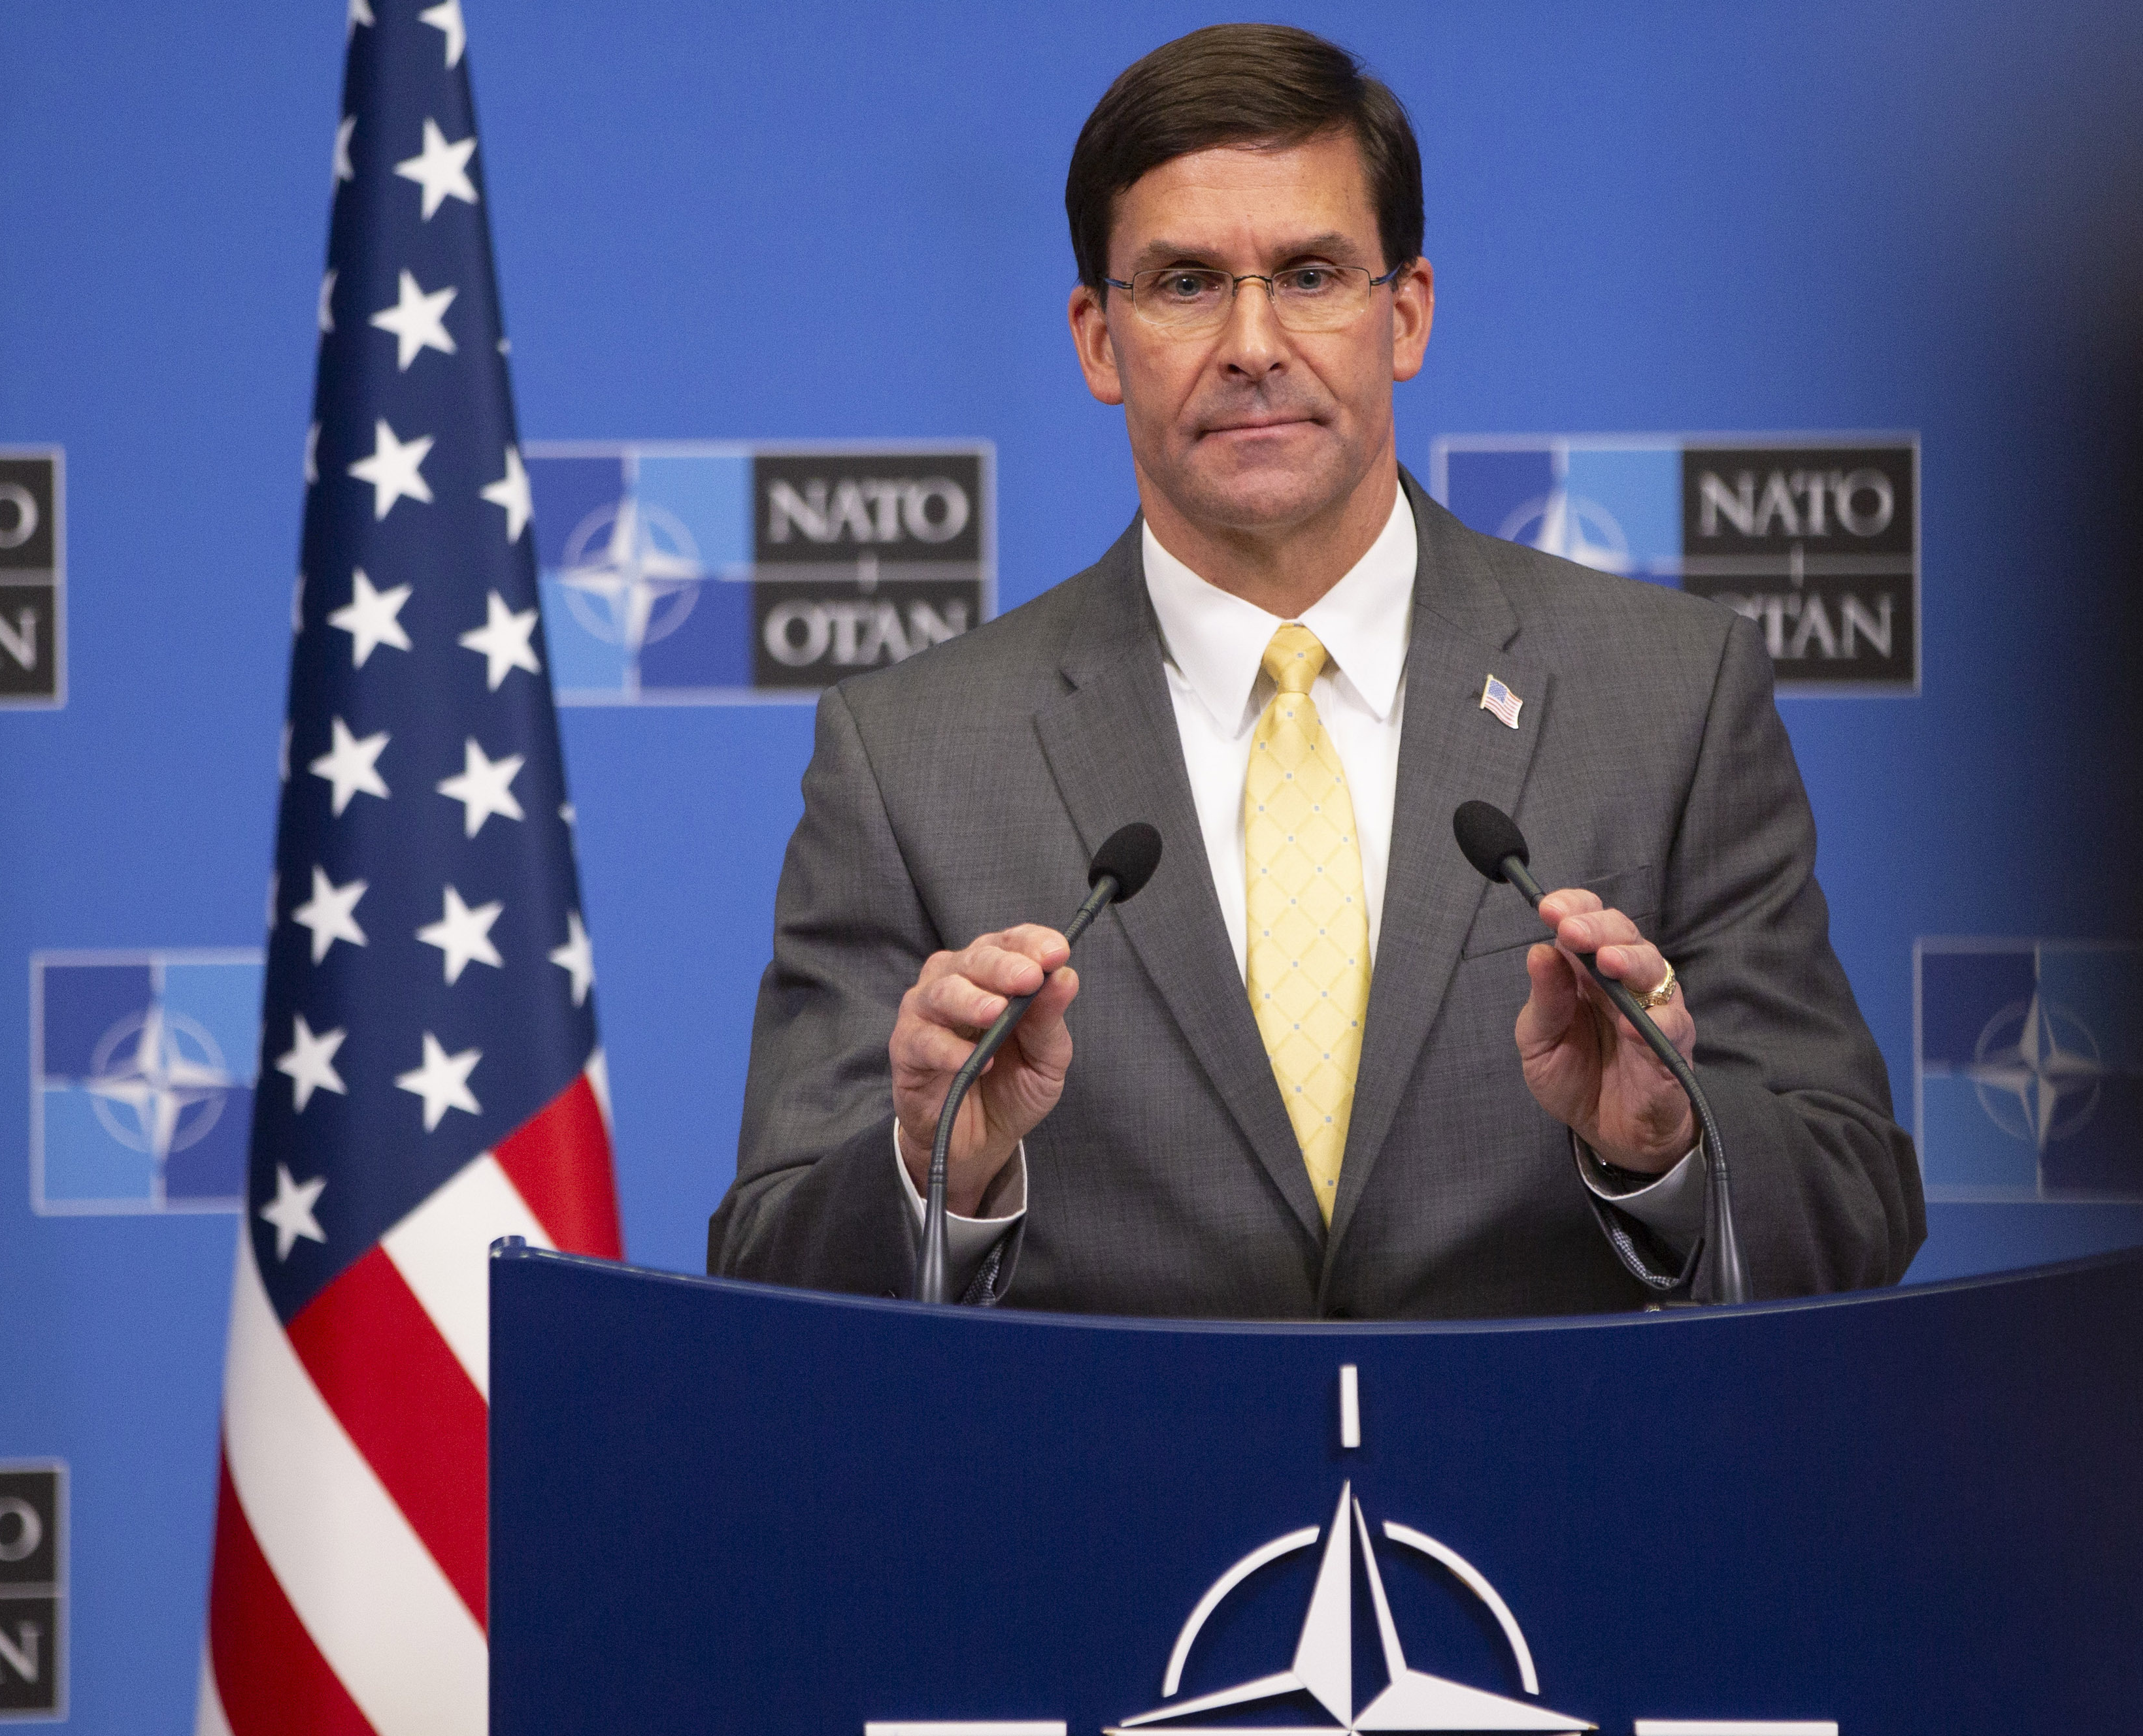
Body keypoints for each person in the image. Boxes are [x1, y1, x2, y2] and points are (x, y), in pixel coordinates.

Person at [706, 23, 1922, 1318]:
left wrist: (1666, 1147)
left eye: (1307, 273)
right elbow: (768, 1274)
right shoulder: (909, 756)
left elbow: (1853, 1206)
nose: (1250, 342)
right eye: (1181, 283)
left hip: (1535, 1504)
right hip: (1115, 1508)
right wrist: (927, 1171)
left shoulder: (1668, 696)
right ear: (1096, 341)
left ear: (1402, 314)